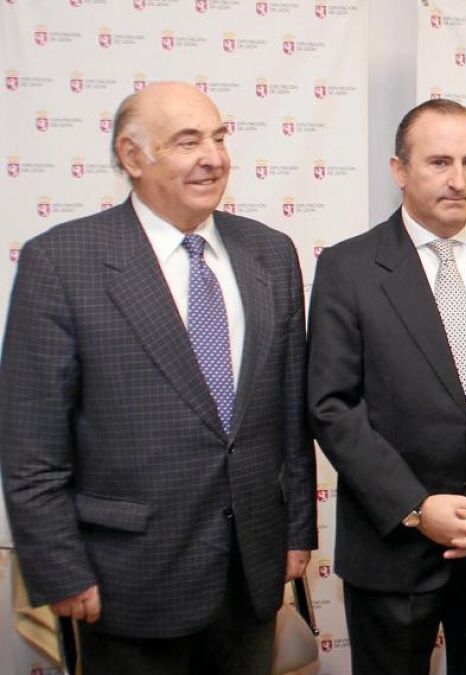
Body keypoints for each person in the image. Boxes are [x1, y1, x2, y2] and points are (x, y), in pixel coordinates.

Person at [0, 82, 315, 674]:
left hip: (250, 576)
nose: (213, 158)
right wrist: (60, 569)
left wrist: (297, 531)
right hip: (126, 581)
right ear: (132, 156)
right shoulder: (62, 262)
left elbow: (290, 415)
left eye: (219, 138)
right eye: (188, 142)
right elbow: (31, 447)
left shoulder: (270, 253)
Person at [306, 99, 466, 674]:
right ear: (399, 170)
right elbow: (332, 407)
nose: (458, 180)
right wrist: (418, 508)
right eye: (439, 162)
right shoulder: (348, 268)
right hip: (392, 550)